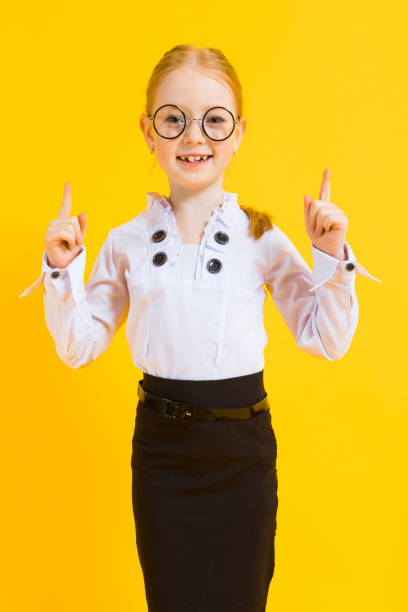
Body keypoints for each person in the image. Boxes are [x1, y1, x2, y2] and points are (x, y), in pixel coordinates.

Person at [18, 44, 382, 612]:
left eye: (214, 120)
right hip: (162, 456)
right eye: (174, 119)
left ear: (238, 133)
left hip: (241, 454)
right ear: (149, 130)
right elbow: (78, 346)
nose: (195, 136)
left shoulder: (260, 238)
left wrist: (331, 257)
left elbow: (326, 340)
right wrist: (61, 272)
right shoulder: (126, 242)